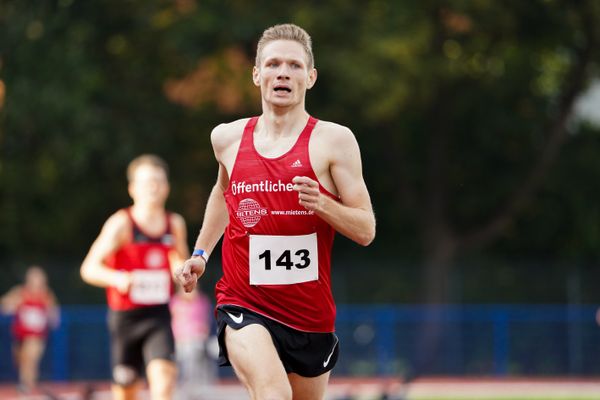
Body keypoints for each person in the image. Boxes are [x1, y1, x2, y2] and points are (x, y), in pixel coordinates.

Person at [176, 23, 376, 400]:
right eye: (272, 64)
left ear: (311, 77)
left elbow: (365, 228)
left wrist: (323, 204)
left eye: (295, 65)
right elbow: (223, 191)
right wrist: (201, 253)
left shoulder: (334, 141)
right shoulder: (227, 138)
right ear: (257, 74)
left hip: (310, 315)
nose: (283, 72)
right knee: (273, 394)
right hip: (243, 302)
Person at [80, 154, 189, 400]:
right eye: (147, 182)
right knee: (126, 392)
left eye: (159, 181)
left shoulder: (174, 224)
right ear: (132, 189)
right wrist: (117, 278)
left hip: (158, 315)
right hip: (125, 319)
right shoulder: (121, 224)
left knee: (164, 380)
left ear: (167, 187)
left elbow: (179, 260)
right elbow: (89, 268)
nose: (154, 187)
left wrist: (183, 278)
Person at [0, 265, 60, 393]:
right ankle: (28, 382)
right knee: (20, 360)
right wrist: (10, 305)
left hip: (36, 335)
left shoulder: (46, 295)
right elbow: (6, 304)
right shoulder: (20, 292)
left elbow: (54, 312)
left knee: (30, 357)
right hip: (20, 335)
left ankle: (26, 386)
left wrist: (53, 317)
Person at [169, 284, 216, 399]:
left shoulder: (202, 301)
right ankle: (185, 388)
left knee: (197, 361)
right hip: (180, 340)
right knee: (185, 362)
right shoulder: (175, 302)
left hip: (197, 339)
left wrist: (203, 332)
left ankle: (196, 387)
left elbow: (205, 320)